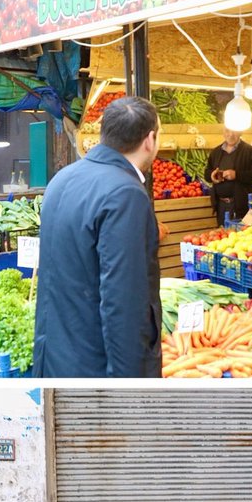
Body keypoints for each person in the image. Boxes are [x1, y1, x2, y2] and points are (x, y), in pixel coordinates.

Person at [33, 95, 162, 378]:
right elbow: (124, 303)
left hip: (55, 358)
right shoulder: (125, 194)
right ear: (150, 140)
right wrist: (130, 390)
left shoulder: (61, 179)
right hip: (95, 371)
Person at [205, 127, 252, 225]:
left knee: (242, 235)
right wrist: (212, 176)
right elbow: (206, 173)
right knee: (223, 235)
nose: (230, 134)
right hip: (221, 206)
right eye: (227, 131)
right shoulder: (216, 152)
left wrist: (237, 175)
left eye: (234, 131)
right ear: (223, 132)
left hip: (241, 206)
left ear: (240, 132)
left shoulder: (249, 151)